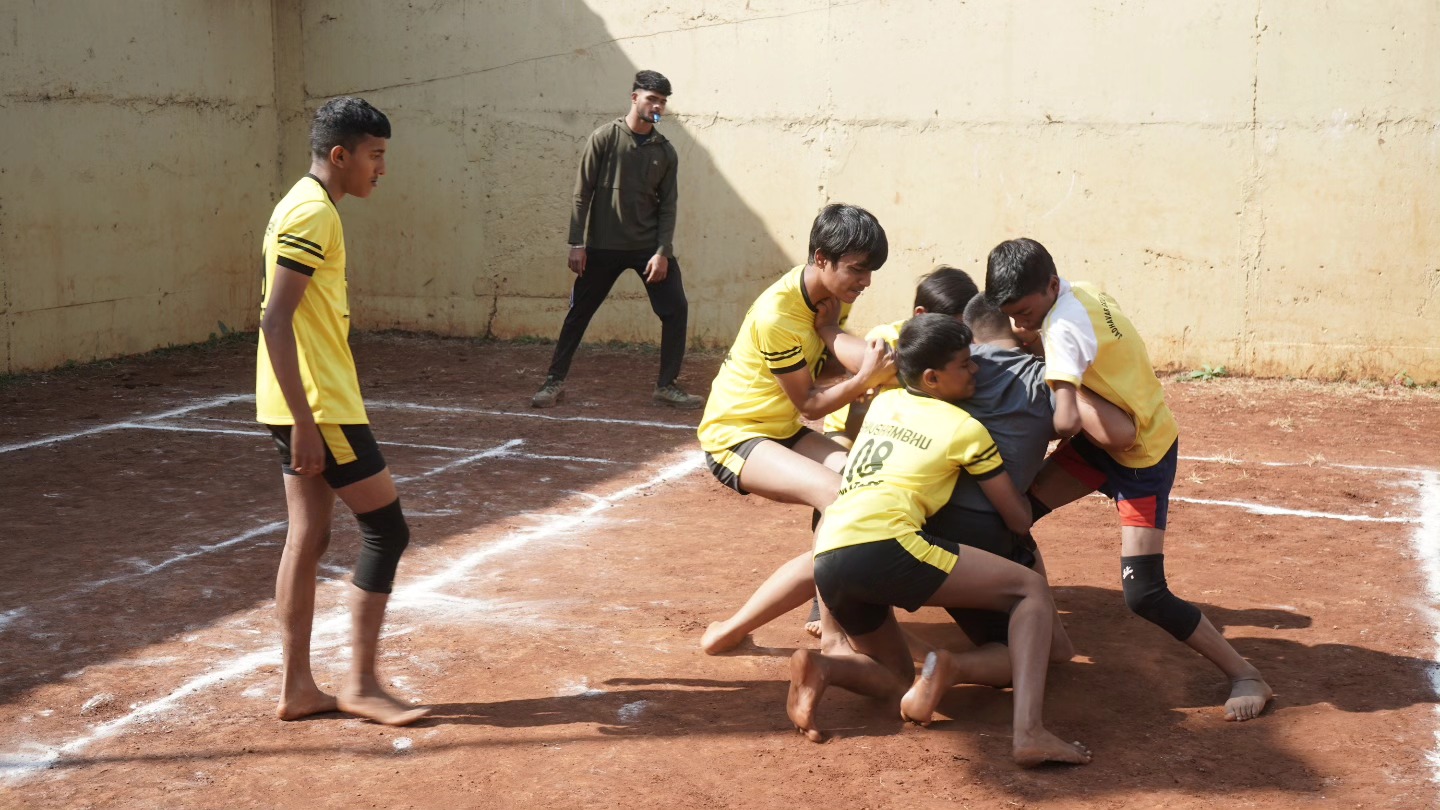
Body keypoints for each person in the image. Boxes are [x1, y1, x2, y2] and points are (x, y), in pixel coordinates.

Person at [984, 237, 1273, 722]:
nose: (1020, 325)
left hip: (1140, 459)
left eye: (1025, 313)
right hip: (1111, 444)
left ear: (1051, 286)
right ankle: (1047, 634)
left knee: (1145, 593)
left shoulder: (1062, 331)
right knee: (1015, 517)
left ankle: (1247, 675)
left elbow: (1082, 427)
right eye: (1011, 316)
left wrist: (1045, 377)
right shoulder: (1084, 292)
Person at [787, 315, 1090, 767]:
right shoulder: (964, 428)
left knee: (895, 678)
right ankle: (1029, 732)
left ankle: (824, 667)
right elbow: (1016, 517)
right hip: (886, 546)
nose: (976, 370)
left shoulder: (884, 404)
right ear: (931, 378)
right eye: (964, 364)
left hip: (828, 554)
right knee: (1030, 589)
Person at [256, 97, 427, 726]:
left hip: (303, 400)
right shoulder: (312, 213)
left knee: (309, 536)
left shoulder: (306, 204)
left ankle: (298, 688)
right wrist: (306, 422)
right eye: (375, 156)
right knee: (387, 529)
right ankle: (360, 683)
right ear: (340, 154)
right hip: (319, 406)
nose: (381, 169)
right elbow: (275, 320)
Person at [696, 203, 894, 513]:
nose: (866, 281)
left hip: (783, 429)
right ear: (822, 258)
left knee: (867, 483)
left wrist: (841, 346)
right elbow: (809, 405)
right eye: (858, 269)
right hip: (736, 435)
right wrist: (863, 380)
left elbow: (822, 365)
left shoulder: (835, 296)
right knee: (838, 494)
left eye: (870, 271)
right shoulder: (776, 316)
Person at [532, 70, 702, 409]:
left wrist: (662, 252)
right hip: (602, 247)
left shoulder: (665, 151)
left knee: (676, 309)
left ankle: (666, 385)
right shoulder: (604, 138)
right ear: (635, 97)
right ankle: (554, 382)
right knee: (579, 313)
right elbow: (582, 194)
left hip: (648, 249)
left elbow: (668, 206)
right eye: (652, 99)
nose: (657, 106)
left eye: (662, 102)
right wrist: (577, 243)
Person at [819, 265, 979, 449]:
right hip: (849, 431)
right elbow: (876, 367)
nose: (964, 334)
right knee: (844, 463)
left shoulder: (961, 345)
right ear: (921, 314)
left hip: (902, 434)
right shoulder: (887, 339)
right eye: (955, 325)